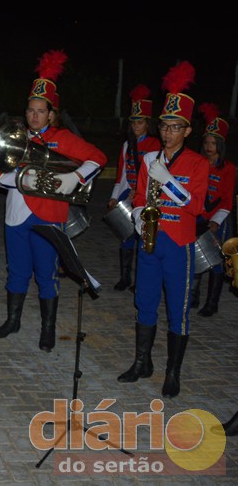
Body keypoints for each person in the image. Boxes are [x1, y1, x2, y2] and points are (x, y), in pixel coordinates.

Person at [0, 50, 106, 352]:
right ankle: (13, 320)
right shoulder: (16, 136)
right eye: (30, 110)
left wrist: (76, 177)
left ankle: (48, 328)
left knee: (46, 273)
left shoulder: (63, 138)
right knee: (16, 270)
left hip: (49, 216)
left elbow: (98, 158)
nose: (34, 116)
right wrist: (22, 179)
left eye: (41, 111)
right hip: (16, 214)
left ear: (52, 114)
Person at [117, 61, 208, 398]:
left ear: (188, 130)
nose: (167, 133)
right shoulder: (149, 159)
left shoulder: (198, 163)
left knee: (177, 310)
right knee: (144, 301)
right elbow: (140, 196)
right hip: (150, 242)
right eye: (164, 126)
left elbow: (196, 206)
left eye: (175, 127)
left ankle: (172, 372)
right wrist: (139, 215)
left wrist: (168, 181)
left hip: (179, 244)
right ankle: (143, 362)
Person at [105, 84, 160, 291]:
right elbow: (121, 175)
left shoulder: (155, 145)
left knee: (143, 237)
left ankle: (141, 281)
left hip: (146, 195)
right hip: (128, 193)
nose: (136, 126)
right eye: (134, 122)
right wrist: (115, 197)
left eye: (140, 122)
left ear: (147, 123)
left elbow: (155, 175)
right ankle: (125, 277)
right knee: (126, 235)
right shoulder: (127, 145)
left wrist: (141, 191)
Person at [190, 102, 233, 317]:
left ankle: (212, 302)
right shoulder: (197, 163)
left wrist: (216, 221)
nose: (209, 146)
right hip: (198, 216)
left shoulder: (229, 169)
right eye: (206, 142)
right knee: (195, 255)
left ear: (221, 145)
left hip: (218, 219)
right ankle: (194, 295)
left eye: (213, 143)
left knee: (216, 261)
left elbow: (227, 200)